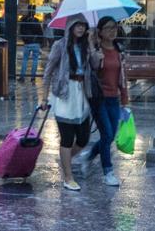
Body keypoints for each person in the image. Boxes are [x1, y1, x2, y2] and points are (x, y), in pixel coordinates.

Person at [42, 17, 93, 191]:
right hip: (65, 94)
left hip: (82, 93)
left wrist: (92, 45)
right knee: (67, 137)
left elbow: (94, 65)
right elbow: (48, 72)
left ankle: (65, 162)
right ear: (70, 27)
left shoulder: (86, 46)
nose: (80, 28)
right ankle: (68, 177)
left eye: (83, 25)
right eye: (77, 25)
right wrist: (43, 98)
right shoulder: (60, 45)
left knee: (84, 137)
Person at [80, 16, 129, 186]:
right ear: (100, 31)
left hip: (113, 99)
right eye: (108, 28)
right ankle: (108, 172)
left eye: (114, 27)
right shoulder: (95, 49)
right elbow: (91, 68)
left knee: (110, 136)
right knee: (107, 134)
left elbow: (122, 76)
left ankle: (89, 156)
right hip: (98, 99)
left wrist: (124, 99)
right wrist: (93, 47)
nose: (112, 30)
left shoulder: (119, 50)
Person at [18, 5, 44, 83]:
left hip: (27, 43)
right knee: (35, 60)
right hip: (36, 43)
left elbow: (21, 31)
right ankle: (33, 77)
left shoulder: (24, 20)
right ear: (35, 12)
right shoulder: (36, 20)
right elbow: (40, 32)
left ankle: (22, 77)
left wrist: (24, 39)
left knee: (25, 60)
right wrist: (40, 41)